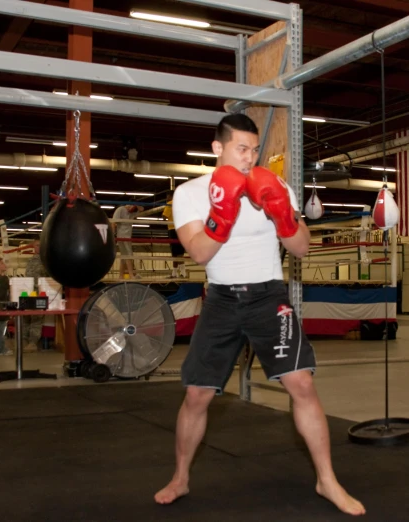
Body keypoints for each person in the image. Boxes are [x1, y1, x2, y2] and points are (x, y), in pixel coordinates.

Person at [154, 114, 365, 516]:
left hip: (268, 296)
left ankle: (327, 480)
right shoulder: (191, 193)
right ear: (218, 148)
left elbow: (301, 247)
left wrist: (282, 214)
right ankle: (180, 477)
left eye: (254, 150)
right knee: (197, 394)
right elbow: (198, 252)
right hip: (220, 300)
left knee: (302, 384)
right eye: (242, 149)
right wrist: (224, 212)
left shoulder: (276, 184)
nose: (250, 158)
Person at [23, 241, 48, 352]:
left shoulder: (46, 261)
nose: (38, 247)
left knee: (37, 318)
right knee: (26, 317)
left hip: (40, 293)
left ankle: (33, 343)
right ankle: (24, 341)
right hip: (28, 292)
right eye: (36, 245)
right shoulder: (30, 261)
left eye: (40, 245)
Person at [112, 204, 144, 279]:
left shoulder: (132, 212)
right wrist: (113, 235)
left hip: (127, 236)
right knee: (129, 255)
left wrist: (135, 206)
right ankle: (131, 275)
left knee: (124, 256)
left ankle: (120, 276)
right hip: (122, 236)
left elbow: (142, 208)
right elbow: (113, 222)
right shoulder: (120, 209)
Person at [162, 191, 187, 278]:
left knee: (174, 253)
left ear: (171, 196)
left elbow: (164, 216)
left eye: (167, 196)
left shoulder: (170, 204)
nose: (166, 198)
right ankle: (181, 273)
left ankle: (176, 273)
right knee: (180, 252)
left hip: (173, 229)